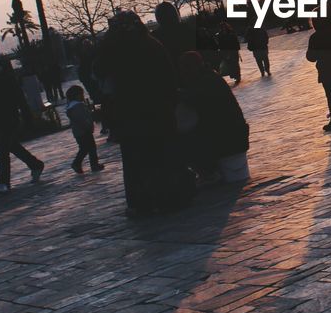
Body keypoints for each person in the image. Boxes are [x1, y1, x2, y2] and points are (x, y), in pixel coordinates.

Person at [94, 11, 191, 216]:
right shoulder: (151, 45)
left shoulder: (113, 52)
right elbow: (168, 77)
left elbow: (101, 76)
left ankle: (143, 202)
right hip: (159, 111)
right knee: (165, 154)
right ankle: (173, 196)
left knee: (137, 161)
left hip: (131, 116)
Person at [177, 52, 250, 181]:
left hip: (228, 141)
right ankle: (210, 174)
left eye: (185, 68)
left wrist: (178, 94)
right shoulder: (208, 78)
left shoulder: (206, 81)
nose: (183, 73)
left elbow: (198, 99)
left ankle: (209, 174)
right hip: (232, 139)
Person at [0, 53, 44, 193]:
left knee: (2, 152)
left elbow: (20, 99)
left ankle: (3, 182)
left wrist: (27, 117)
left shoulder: (7, 79)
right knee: (13, 147)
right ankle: (35, 164)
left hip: (10, 119)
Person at [65, 85, 104, 173]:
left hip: (79, 132)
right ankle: (92, 165)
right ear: (77, 95)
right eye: (81, 94)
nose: (83, 96)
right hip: (84, 130)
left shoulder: (71, 106)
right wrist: (88, 126)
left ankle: (78, 164)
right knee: (90, 148)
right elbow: (82, 119)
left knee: (84, 148)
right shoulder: (78, 106)